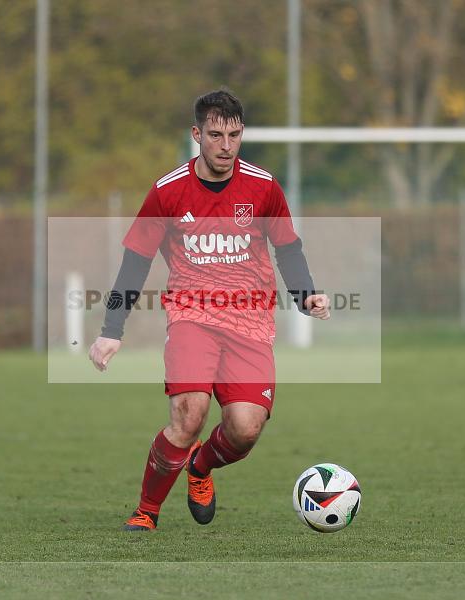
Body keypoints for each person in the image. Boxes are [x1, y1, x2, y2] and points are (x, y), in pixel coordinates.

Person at [88, 89, 330, 531]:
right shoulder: (167, 192)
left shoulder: (263, 187)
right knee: (188, 414)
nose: (226, 145)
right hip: (191, 317)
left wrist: (305, 294)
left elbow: (288, 248)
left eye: (234, 135)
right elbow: (134, 263)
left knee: (245, 429)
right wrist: (111, 329)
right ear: (196, 134)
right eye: (215, 135)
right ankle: (146, 512)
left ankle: (199, 467)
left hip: (251, 322)